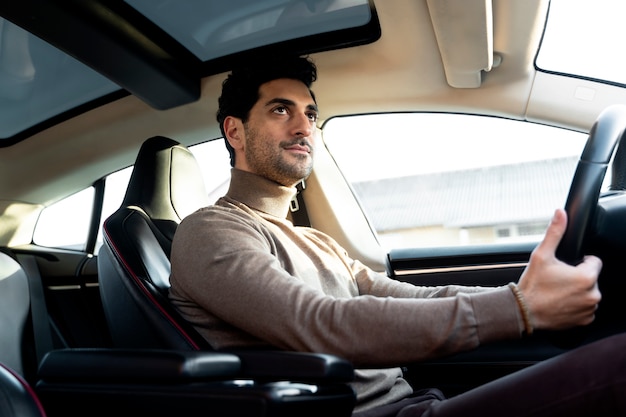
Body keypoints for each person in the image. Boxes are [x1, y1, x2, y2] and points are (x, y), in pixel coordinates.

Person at [169, 55, 626, 416]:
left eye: (310, 112)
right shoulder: (211, 230)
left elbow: (410, 297)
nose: (304, 125)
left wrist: (523, 294)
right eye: (280, 109)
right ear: (235, 131)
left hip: (417, 400)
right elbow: (320, 325)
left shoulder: (318, 243)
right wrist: (520, 310)